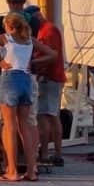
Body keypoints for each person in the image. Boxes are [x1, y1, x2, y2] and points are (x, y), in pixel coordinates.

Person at [0, 12, 55, 182]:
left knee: (9, 126)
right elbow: (52, 54)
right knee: (25, 127)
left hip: (10, 79)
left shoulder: (6, 38)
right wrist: (32, 63)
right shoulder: (29, 40)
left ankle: (12, 170)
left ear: (9, 26)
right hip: (26, 80)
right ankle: (31, 171)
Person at [33, 9, 67, 166]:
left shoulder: (47, 31)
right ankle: (57, 153)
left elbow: (50, 56)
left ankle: (45, 153)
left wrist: (35, 67)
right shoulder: (49, 29)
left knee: (44, 116)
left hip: (48, 78)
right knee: (53, 115)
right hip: (54, 77)